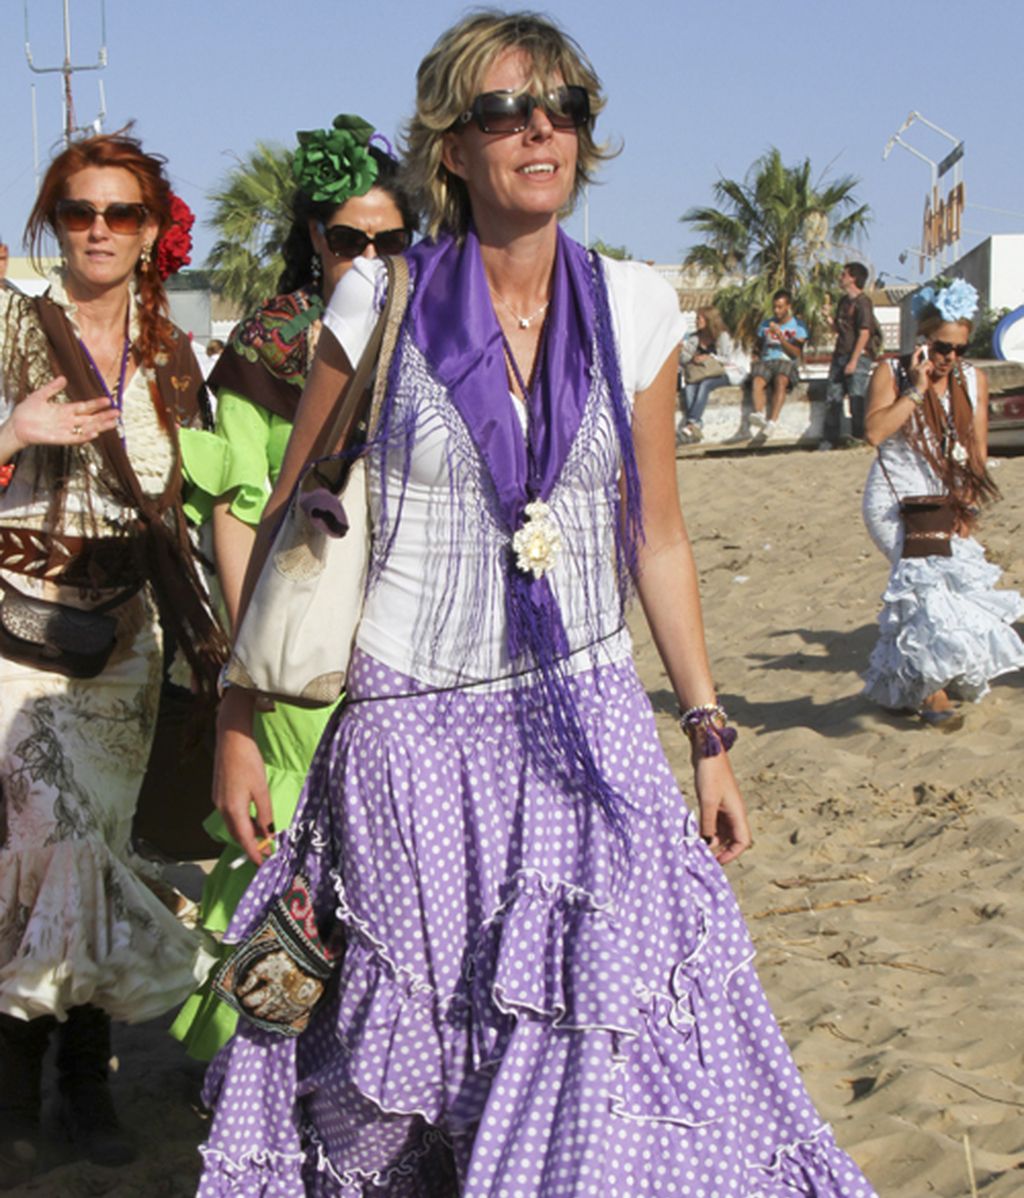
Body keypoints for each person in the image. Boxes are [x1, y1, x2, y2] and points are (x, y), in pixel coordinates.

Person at [197, 12, 876, 1196]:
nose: (542, 128)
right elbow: (299, 526)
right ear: (450, 148)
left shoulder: (634, 308)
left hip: (588, 722)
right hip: (413, 740)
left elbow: (655, 537)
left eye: (564, 106)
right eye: (506, 110)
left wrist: (709, 732)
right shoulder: (378, 301)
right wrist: (239, 724)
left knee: (595, 1042)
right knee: (416, 1081)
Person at [170, 115, 418, 1062]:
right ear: (314, 237)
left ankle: (360, 1062)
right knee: (288, 854)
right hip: (293, 640)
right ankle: (256, 1060)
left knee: (387, 861)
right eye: (349, 237)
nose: (369, 256)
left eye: (390, 241)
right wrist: (250, 658)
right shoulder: (273, 344)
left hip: (398, 643)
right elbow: (238, 509)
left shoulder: (423, 336)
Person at [0, 132, 223, 1181]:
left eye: (121, 214)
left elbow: (199, 489)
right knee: (48, 846)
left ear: (150, 232)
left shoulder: (171, 348)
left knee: (108, 853)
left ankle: (83, 1082)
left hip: (128, 639)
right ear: (55, 220)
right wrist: (14, 420)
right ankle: (17, 1083)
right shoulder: (11, 322)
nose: (99, 230)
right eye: (81, 211)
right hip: (20, 629)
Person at [862, 278, 1024, 727]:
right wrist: (915, 389)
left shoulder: (973, 380)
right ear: (923, 339)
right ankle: (930, 693)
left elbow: (976, 451)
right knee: (921, 584)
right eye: (941, 348)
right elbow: (874, 432)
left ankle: (901, 683)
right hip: (895, 501)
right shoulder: (891, 373)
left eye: (958, 349)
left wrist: (967, 507)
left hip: (943, 501)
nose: (949, 358)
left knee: (943, 589)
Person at [820, 262, 877, 450]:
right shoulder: (844, 302)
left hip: (858, 356)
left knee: (856, 398)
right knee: (833, 398)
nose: (840, 277)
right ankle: (830, 439)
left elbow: (865, 332)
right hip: (840, 354)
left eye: (844, 274)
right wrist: (829, 319)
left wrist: (854, 360)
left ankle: (858, 437)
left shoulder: (863, 302)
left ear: (853, 278)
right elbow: (840, 329)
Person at [678, 305, 748, 444]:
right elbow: (683, 359)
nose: (697, 321)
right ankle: (695, 425)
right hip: (701, 373)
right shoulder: (694, 338)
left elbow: (726, 359)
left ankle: (691, 424)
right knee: (690, 388)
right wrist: (691, 356)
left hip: (723, 373)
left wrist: (709, 357)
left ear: (709, 320)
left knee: (705, 385)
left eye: (699, 318)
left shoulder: (722, 336)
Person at [749, 288, 806, 438]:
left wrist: (781, 338)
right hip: (767, 359)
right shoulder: (765, 325)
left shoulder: (798, 326)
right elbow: (758, 344)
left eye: (780, 307)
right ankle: (759, 413)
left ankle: (772, 422)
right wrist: (755, 356)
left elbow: (796, 353)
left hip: (786, 360)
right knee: (757, 379)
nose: (776, 310)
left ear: (788, 306)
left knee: (781, 380)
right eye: (774, 307)